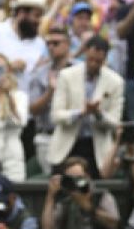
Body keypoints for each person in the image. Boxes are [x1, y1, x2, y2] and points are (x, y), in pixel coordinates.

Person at [47, 37, 124, 176]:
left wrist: (98, 113)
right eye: (91, 59)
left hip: (96, 148)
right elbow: (56, 115)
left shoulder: (116, 82)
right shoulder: (67, 75)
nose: (94, 64)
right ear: (85, 54)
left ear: (105, 59)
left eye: (98, 61)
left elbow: (115, 122)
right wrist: (80, 113)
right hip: (68, 145)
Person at [39, 156, 120, 229]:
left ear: (88, 177)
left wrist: (88, 208)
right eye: (71, 179)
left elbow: (114, 225)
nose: (75, 182)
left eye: (79, 178)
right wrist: (50, 196)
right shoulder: (65, 203)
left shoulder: (103, 196)